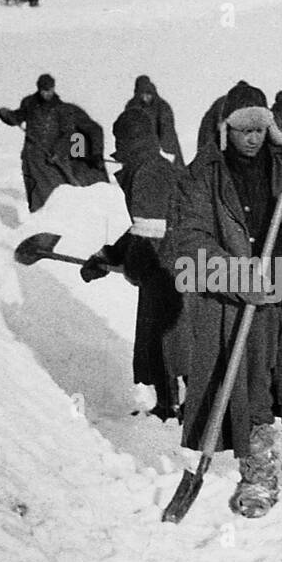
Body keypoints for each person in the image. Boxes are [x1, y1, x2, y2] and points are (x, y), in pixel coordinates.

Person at [163, 82, 282, 519]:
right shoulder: (202, 177)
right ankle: (258, 478)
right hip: (241, 306)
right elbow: (182, 244)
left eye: (259, 128)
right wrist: (235, 275)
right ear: (224, 130)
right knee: (248, 396)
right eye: (242, 130)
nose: (252, 138)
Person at [80, 108, 186, 420]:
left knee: (167, 343)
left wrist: (132, 264)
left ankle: (174, 410)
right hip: (166, 268)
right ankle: (170, 407)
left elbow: (151, 236)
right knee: (162, 343)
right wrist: (110, 256)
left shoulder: (149, 174)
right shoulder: (151, 167)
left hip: (168, 271)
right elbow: (142, 228)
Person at [0, 73, 106, 212]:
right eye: (44, 90)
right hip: (33, 160)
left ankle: (58, 226)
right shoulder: (29, 103)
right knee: (36, 199)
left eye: (49, 90)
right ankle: (40, 228)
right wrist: (7, 115)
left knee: (58, 196)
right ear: (39, 89)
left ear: (54, 88)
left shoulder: (62, 108)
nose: (46, 94)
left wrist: (58, 152)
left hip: (53, 161)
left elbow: (68, 133)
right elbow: (17, 117)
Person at [124, 74, 183, 165]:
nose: (145, 97)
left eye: (148, 94)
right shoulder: (131, 106)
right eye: (142, 94)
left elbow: (167, 131)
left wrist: (162, 149)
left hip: (162, 148)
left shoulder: (162, 106)